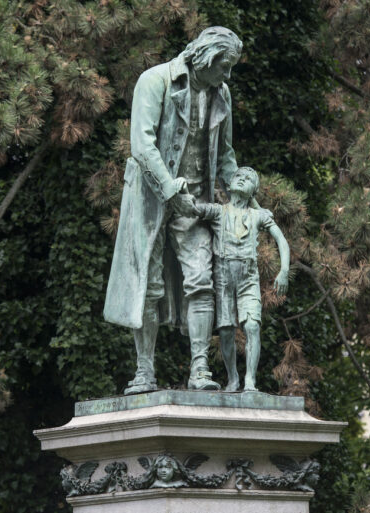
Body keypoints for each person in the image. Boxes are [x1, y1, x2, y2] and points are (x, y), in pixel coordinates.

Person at [103, 27, 242, 394]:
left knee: (202, 280)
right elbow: (142, 145)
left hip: (195, 202)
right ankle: (144, 371)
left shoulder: (221, 94)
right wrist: (168, 188)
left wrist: (244, 198)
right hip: (151, 198)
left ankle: (200, 370)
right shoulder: (154, 81)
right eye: (224, 67)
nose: (227, 76)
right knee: (147, 286)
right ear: (206, 59)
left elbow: (225, 154)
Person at [193, 167, 290, 391]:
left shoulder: (258, 215)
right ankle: (233, 378)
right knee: (226, 330)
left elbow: (281, 239)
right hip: (224, 277)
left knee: (253, 327)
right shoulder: (218, 211)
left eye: (248, 179)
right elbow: (194, 209)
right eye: (238, 176)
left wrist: (284, 270)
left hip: (248, 277)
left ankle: (250, 381)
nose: (241, 180)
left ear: (253, 191)